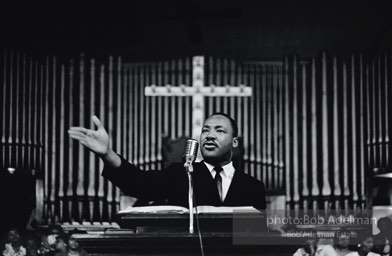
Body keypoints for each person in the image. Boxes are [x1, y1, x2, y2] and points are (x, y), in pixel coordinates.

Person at [68, 113, 266, 209]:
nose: (209, 135)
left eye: (219, 130)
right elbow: (137, 183)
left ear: (235, 141)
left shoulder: (253, 187)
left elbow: (256, 240)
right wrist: (107, 153)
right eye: (205, 130)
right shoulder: (179, 174)